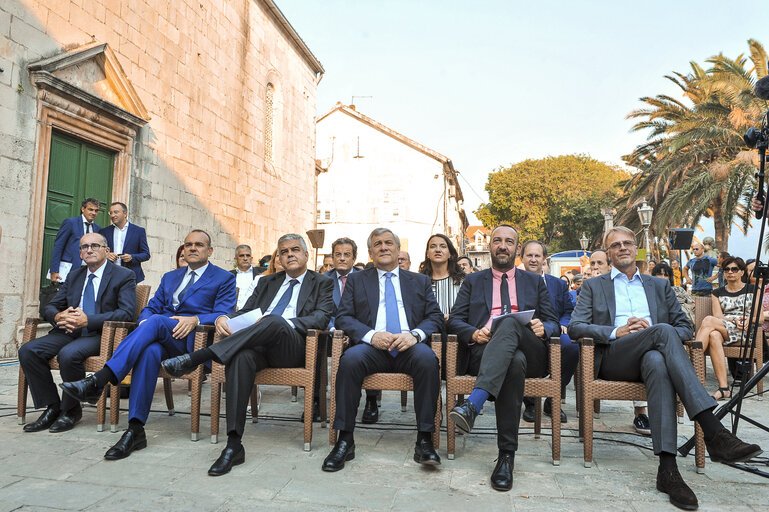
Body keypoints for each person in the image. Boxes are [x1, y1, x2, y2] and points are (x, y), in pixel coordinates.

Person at [568, 226, 761, 510]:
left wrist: (659, 332)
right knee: (661, 332)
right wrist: (616, 330)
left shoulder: (659, 286)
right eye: (615, 245)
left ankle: (668, 471)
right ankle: (712, 429)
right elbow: (575, 327)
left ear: (636, 249)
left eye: (627, 243)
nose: (622, 248)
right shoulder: (594, 286)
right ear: (608, 254)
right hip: (615, 357)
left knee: (658, 360)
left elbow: (684, 326)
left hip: (653, 357)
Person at [162, 234, 334, 476]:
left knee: (274, 320)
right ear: (279, 258)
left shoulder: (322, 282)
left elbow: (321, 317)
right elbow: (245, 312)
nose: (290, 254)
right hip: (258, 345)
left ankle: (199, 357)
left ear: (306, 255)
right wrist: (225, 318)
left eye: (295, 250)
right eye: (284, 251)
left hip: (294, 348)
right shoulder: (267, 282)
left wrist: (281, 322)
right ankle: (233, 445)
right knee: (240, 358)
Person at [61, 230, 236, 460]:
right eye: (188, 244)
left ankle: (99, 380)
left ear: (209, 250)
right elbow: (151, 307)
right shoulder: (170, 277)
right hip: (162, 336)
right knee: (149, 350)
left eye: (199, 245)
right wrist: (144, 324)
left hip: (193, 342)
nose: (192, 248)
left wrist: (195, 319)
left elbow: (225, 313)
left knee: (154, 325)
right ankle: (135, 429)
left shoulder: (223, 278)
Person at [447, 225, 559, 491]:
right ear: (489, 246)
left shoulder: (534, 281)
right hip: (485, 351)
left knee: (509, 325)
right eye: (497, 240)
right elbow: (455, 321)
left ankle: (474, 403)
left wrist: (545, 327)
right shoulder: (474, 281)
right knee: (514, 361)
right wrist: (474, 333)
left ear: (517, 249)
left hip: (533, 351)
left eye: (509, 242)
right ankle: (506, 457)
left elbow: (553, 321)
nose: (502, 246)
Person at [322, 228, 444, 472]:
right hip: (371, 348)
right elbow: (344, 317)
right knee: (349, 361)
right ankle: (345, 440)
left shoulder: (418, 280)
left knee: (428, 361)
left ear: (398, 250)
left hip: (408, 346)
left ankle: (425, 440)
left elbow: (435, 317)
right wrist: (371, 336)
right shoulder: (358, 280)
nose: (384, 247)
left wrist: (414, 335)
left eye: (389, 243)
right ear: (370, 252)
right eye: (378, 244)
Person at [19, 233, 136, 433]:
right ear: (80, 253)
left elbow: (126, 313)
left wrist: (88, 320)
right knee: (29, 350)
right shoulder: (75, 275)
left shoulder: (123, 276)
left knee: (69, 354)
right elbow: (50, 306)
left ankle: (71, 411)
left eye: (94, 246)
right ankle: (52, 407)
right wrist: (58, 316)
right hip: (68, 331)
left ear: (107, 251)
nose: (89, 250)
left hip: (100, 334)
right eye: (84, 247)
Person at [520, 240, 577, 423]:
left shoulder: (558, 285)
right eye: (530, 255)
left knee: (572, 348)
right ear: (522, 258)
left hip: (554, 332)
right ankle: (530, 403)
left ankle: (553, 399)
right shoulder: (514, 283)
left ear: (544, 259)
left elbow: (568, 310)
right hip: (525, 334)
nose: (534, 259)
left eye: (538, 256)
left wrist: (563, 323)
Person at [694, 257, 759, 400]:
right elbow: (719, 316)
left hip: (747, 330)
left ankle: (690, 365)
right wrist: (734, 320)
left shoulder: (753, 289)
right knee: (714, 335)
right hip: (726, 326)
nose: (730, 272)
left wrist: (748, 319)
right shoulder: (717, 293)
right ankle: (724, 389)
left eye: (734, 269)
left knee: (708, 320)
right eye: (727, 269)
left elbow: (759, 318)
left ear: (742, 272)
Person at [324, 237, 362, 422]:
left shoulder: (365, 279)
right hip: (330, 332)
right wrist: (334, 331)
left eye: (347, 255)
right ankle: (317, 399)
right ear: (332, 257)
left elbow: (367, 313)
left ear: (354, 258)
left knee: (371, 344)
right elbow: (322, 312)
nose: (342, 258)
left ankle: (371, 398)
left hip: (359, 332)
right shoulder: (323, 280)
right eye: (337, 254)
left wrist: (352, 333)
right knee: (314, 347)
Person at [49, 198, 102, 284]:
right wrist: (54, 270)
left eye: (96, 211)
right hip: (68, 269)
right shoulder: (70, 223)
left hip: (88, 271)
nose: (93, 213)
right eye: (90, 209)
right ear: (83, 209)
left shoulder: (98, 229)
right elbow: (58, 246)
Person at [99, 202, 151, 284]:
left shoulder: (138, 231)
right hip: (109, 275)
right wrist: (106, 255)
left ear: (125, 214)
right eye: (111, 213)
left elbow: (146, 254)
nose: (112, 215)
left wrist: (132, 257)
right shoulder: (104, 232)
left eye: (116, 212)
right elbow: (98, 252)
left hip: (130, 275)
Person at [418, 234, 465, 320]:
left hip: (458, 330)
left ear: (450, 254)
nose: (438, 250)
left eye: (443, 246)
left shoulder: (464, 281)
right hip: (427, 331)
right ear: (427, 253)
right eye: (433, 246)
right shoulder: (419, 282)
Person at [652, 262, 695, 328]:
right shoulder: (650, 291)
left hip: (682, 320)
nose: (663, 277)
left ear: (669, 277)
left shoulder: (679, 289)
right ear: (654, 276)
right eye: (660, 274)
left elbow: (691, 303)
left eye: (666, 275)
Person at [230, 245, 259, 310]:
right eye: (241, 256)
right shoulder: (229, 275)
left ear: (251, 259)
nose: (245, 258)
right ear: (235, 259)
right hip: (234, 313)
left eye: (248, 255)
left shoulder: (261, 273)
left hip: (255, 312)